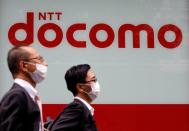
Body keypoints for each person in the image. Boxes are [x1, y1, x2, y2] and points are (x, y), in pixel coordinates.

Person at [0, 45, 48, 131]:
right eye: (39, 59)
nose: (45, 64)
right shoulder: (16, 96)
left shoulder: (28, 95)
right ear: (23, 65)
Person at [49, 64, 100, 131]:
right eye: (93, 80)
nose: (96, 83)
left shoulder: (83, 109)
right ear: (80, 87)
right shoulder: (77, 108)